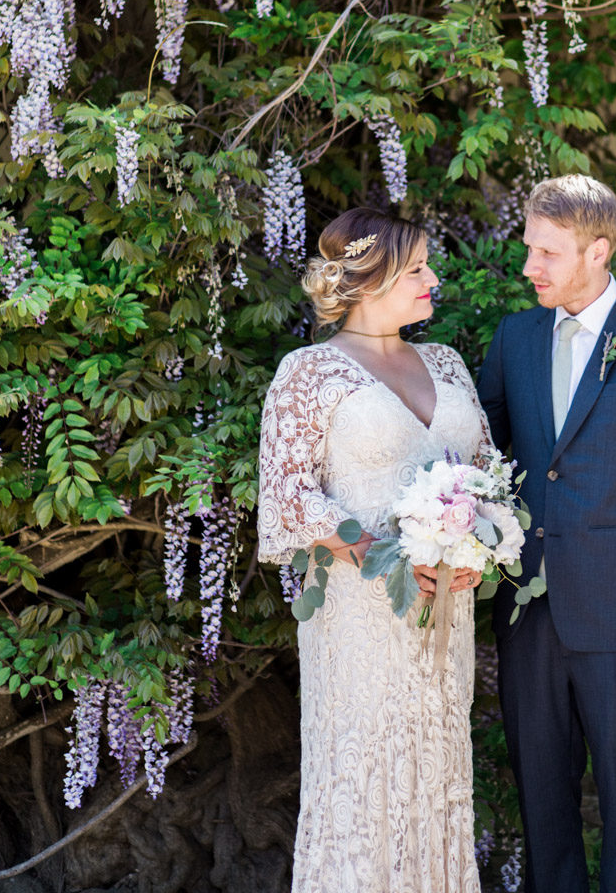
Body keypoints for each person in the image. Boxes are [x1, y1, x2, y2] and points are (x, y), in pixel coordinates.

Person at [477, 174, 616, 893]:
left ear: (598, 251)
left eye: (546, 253)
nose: (528, 267)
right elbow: (488, 464)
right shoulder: (514, 336)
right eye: (528, 249)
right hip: (527, 615)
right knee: (542, 803)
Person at [258, 207, 491, 893]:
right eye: (417, 269)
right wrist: (384, 553)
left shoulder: (444, 362)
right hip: (359, 616)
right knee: (364, 774)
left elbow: (490, 475)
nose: (432, 280)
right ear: (368, 278)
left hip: (445, 612)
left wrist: (477, 546)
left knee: (439, 773)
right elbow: (286, 497)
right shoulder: (308, 372)